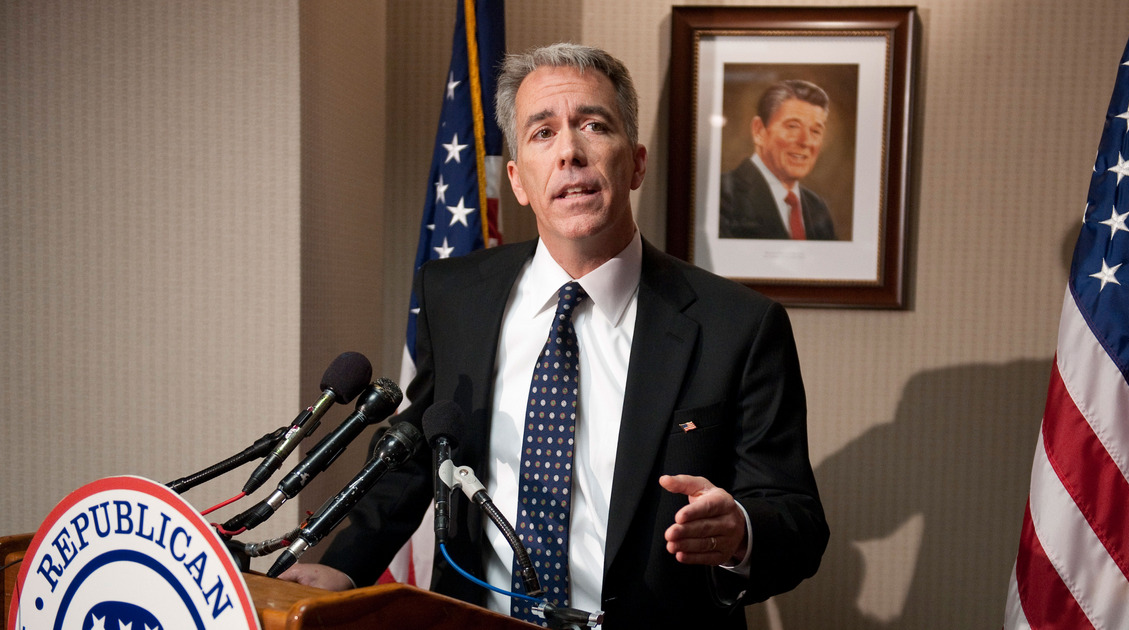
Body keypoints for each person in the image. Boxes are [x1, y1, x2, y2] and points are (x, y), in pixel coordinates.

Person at [280, 43, 827, 629]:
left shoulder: (739, 326)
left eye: (594, 125)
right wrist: (344, 566)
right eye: (542, 133)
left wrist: (741, 531)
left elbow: (795, 520)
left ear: (636, 163)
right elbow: (419, 453)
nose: (569, 151)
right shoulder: (455, 295)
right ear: (518, 180)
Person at [719, 80, 837, 240]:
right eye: (793, 126)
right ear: (759, 131)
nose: (806, 141)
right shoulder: (722, 195)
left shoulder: (817, 207)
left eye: (815, 131)